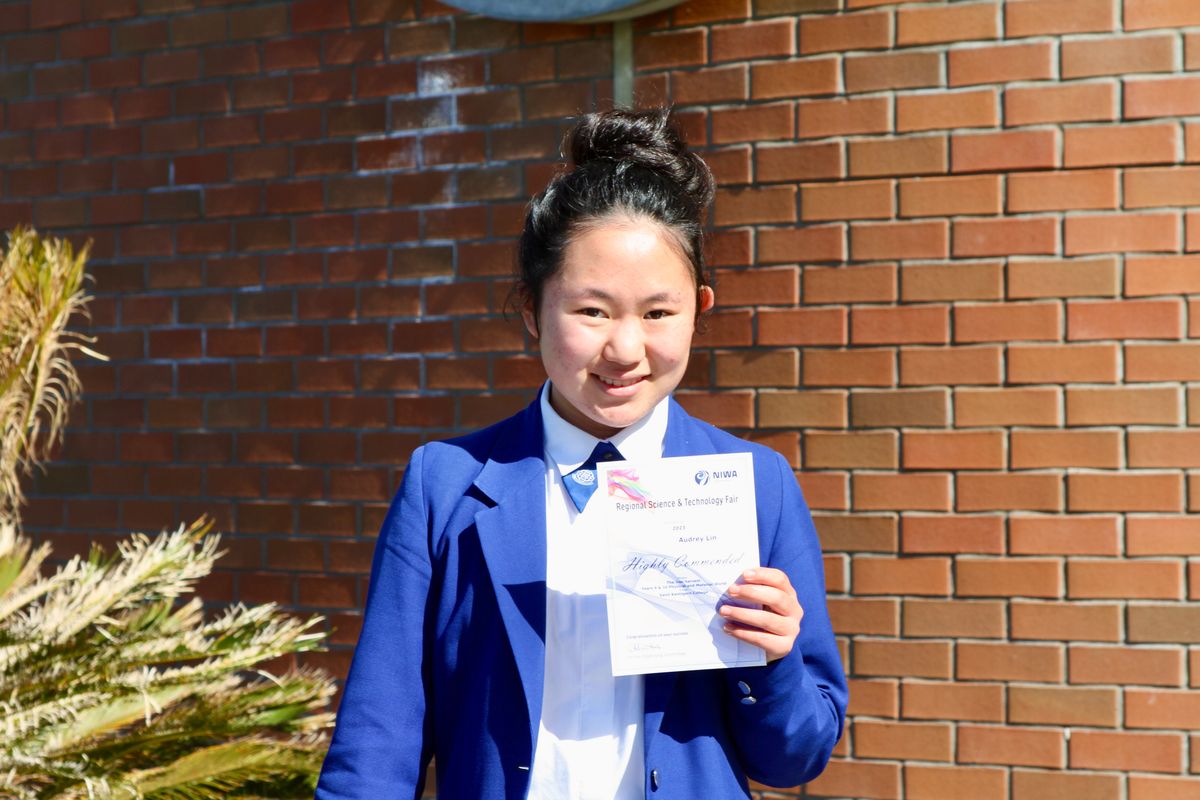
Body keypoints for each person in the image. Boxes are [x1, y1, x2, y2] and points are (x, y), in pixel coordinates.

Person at [314, 107, 847, 800]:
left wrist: (771, 659)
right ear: (532, 309)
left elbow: (796, 758)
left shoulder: (757, 484)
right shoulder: (444, 486)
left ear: (700, 310)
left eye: (658, 313)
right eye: (592, 311)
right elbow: (377, 742)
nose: (624, 349)